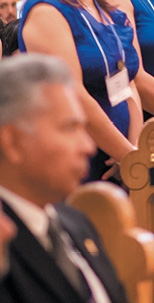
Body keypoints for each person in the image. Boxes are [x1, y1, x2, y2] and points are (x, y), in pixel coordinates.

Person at [19, 0, 140, 181]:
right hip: (79, 162)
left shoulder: (107, 7)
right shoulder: (47, 9)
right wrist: (126, 155)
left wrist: (134, 147)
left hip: (124, 159)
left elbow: (128, 82)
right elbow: (73, 93)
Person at [0, 54, 128, 303]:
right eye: (69, 128)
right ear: (12, 142)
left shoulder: (75, 221)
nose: (89, 147)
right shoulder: (3, 238)